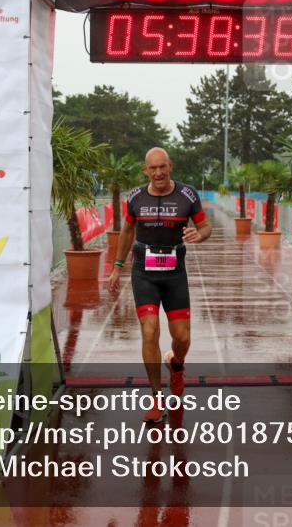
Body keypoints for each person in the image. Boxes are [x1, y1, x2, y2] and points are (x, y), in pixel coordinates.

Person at [108, 147, 212, 422]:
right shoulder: (135, 198)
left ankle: (176, 367)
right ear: (146, 171)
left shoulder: (188, 195)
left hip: (175, 274)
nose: (158, 173)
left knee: (182, 337)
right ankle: (156, 397)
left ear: (170, 166)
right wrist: (117, 267)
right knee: (150, 330)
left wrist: (197, 235)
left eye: (162, 167)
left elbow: (206, 227)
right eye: (152, 168)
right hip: (144, 273)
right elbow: (128, 231)